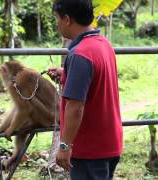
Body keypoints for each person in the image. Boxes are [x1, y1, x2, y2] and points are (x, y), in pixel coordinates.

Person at [47, 0, 123, 179]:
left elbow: (75, 108)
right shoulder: (103, 44)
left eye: (57, 19)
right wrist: (67, 74)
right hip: (109, 144)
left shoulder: (80, 54)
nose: (57, 24)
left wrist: (65, 146)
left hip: (90, 151)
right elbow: (96, 79)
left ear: (67, 19)